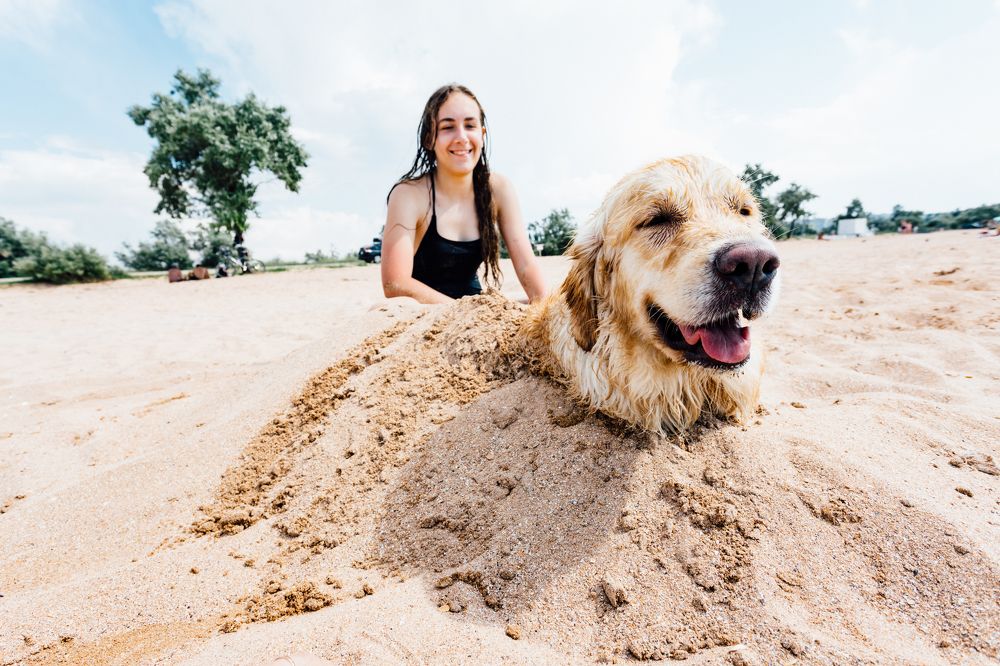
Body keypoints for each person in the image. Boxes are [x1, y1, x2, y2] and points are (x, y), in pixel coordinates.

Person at [381, 84, 546, 304]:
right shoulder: (409, 195)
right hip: (422, 313)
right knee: (382, 308)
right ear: (430, 138)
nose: (461, 137)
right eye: (448, 127)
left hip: (474, 310)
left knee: (537, 304)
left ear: (482, 134)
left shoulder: (498, 189)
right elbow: (395, 284)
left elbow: (527, 265)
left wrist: (545, 309)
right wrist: (462, 314)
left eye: (470, 125)